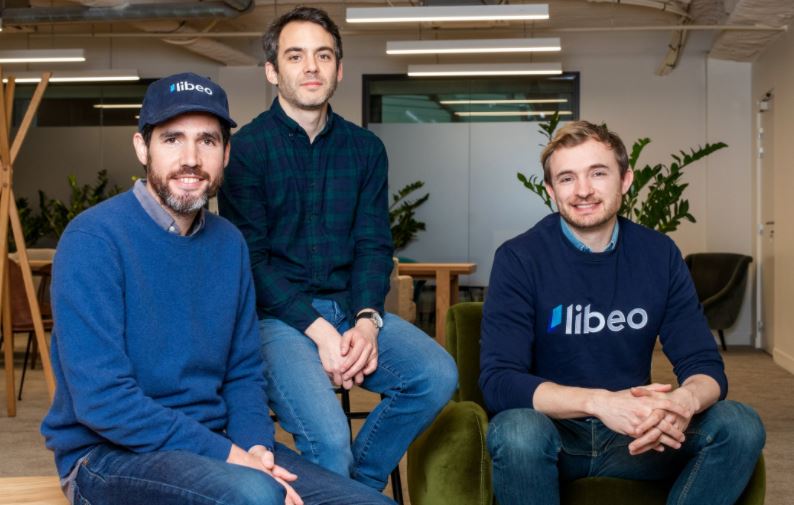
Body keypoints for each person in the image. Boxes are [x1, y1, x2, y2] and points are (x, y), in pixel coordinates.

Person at [41, 72, 395, 505]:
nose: (190, 158)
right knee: (256, 496)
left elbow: (243, 370)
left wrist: (256, 447)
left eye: (207, 141)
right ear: (141, 147)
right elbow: (104, 401)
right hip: (108, 456)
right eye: (172, 139)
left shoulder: (229, 243)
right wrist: (231, 456)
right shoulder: (94, 240)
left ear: (226, 153)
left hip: (220, 444)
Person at [218, 6, 457, 491]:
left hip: (351, 310)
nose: (311, 67)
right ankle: (347, 489)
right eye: (295, 55)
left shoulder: (365, 150)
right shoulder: (244, 151)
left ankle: (355, 490)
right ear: (272, 71)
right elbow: (252, 261)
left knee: (435, 375)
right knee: (328, 440)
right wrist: (321, 331)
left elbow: (374, 246)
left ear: (339, 69)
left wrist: (368, 321)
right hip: (277, 321)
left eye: (323, 55)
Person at [479, 120, 765, 505]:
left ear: (625, 179)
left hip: (638, 435)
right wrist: (600, 402)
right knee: (516, 430)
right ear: (550, 191)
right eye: (566, 178)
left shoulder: (659, 254)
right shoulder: (519, 258)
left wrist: (682, 403)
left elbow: (705, 365)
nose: (583, 190)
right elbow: (499, 381)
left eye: (598, 173)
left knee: (740, 425)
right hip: (554, 434)